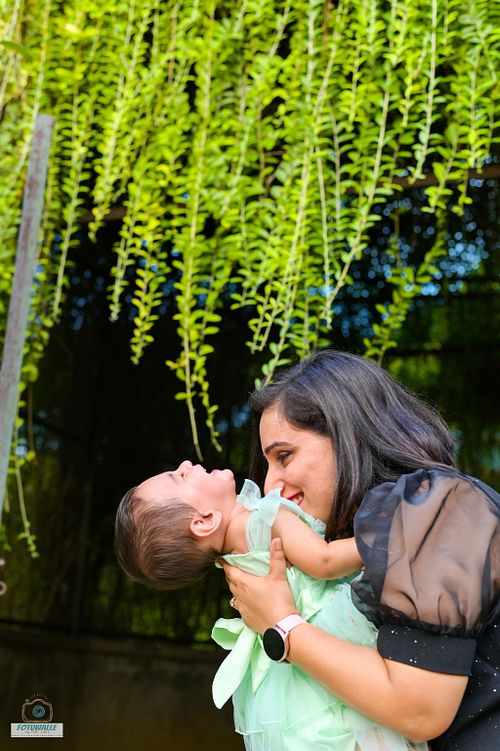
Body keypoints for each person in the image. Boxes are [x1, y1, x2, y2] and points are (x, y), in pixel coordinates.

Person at [222, 349, 500, 751]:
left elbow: (420, 710)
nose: (270, 486)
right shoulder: (377, 530)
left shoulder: (438, 507)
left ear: (349, 434)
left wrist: (281, 625)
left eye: (284, 456)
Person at [115, 464, 427, 750]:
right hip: (328, 629)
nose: (185, 465)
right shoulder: (262, 520)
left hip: (288, 676)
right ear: (205, 521)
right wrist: (391, 538)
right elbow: (324, 560)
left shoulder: (232, 556)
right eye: (180, 477)